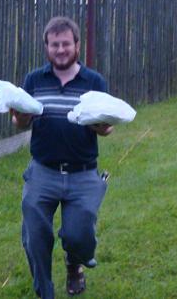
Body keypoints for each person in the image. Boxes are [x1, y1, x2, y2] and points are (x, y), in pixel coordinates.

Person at [11, 16, 113, 298]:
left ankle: (74, 261)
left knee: (79, 236)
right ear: (46, 47)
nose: (60, 50)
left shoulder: (94, 81)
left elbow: (107, 127)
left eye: (66, 44)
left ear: (77, 45)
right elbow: (19, 122)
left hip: (83, 173)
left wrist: (101, 127)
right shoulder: (34, 80)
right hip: (43, 172)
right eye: (54, 44)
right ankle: (45, 291)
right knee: (34, 238)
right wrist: (20, 118)